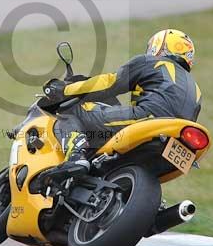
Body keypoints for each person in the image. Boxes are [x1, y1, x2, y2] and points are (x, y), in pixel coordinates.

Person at [42, 29, 202, 176]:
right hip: (176, 139)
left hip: (149, 118)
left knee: (71, 111)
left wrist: (65, 90)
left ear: (159, 46)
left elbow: (110, 83)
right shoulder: (195, 89)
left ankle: (75, 157)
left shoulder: (150, 62)